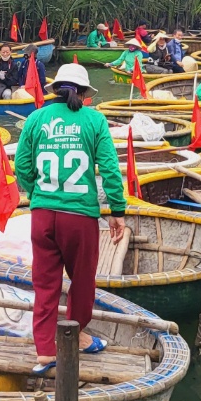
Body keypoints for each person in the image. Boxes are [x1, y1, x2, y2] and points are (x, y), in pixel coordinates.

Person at [13, 63, 127, 376]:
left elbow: (21, 166)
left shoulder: (37, 118)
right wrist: (117, 212)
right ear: (84, 93)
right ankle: (77, 334)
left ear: (57, 89)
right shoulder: (94, 119)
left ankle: (45, 352)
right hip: (80, 218)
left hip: (43, 216)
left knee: (45, 284)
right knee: (83, 281)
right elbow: (110, 171)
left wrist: (39, 193)